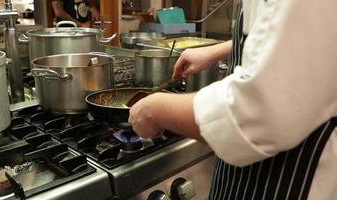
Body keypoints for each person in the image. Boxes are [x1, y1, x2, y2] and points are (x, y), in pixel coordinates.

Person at [128, 0, 337, 199]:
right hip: (246, 174)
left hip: (288, 178)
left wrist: (154, 109)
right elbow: (287, 33)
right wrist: (217, 50)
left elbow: (259, 114)